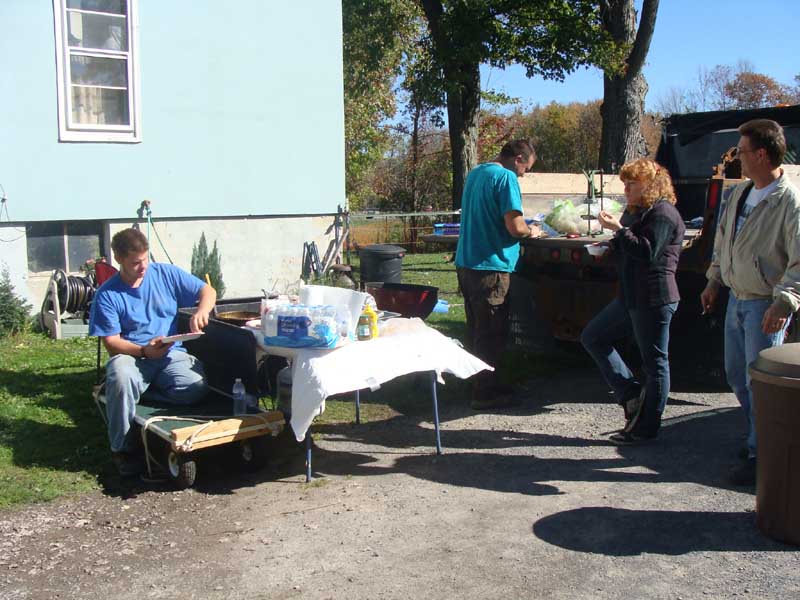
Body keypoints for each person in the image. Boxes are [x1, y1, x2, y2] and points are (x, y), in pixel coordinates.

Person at [700, 119, 800, 486]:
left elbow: (799, 260)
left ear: (761, 154)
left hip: (764, 305)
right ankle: (759, 438)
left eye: (741, 151)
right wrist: (714, 279)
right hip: (736, 299)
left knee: (760, 383)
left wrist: (785, 302)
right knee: (735, 375)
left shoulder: (789, 201)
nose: (736, 158)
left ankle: (762, 454)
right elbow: (722, 239)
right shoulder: (740, 193)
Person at [89, 228, 217, 476]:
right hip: (133, 355)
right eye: (136, 263)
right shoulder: (107, 295)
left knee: (196, 387)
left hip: (170, 353)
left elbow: (208, 291)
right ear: (119, 259)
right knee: (122, 374)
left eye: (145, 259)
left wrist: (202, 310)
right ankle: (122, 449)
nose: (143, 267)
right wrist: (144, 351)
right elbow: (111, 342)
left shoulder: (165, 273)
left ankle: (133, 395)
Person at [581, 158, 685, 444]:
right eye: (624, 184)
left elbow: (647, 251)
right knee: (593, 337)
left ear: (650, 184)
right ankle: (630, 395)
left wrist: (617, 230)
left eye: (632, 184)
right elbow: (627, 243)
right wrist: (607, 246)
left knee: (655, 362)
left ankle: (646, 427)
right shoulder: (639, 211)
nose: (626, 189)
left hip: (654, 297)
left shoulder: (663, 213)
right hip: (630, 296)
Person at [455, 139, 541, 410]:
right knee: (492, 332)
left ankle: (480, 383)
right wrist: (532, 231)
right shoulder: (505, 178)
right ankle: (484, 394)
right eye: (524, 169)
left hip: (467, 262)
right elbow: (515, 227)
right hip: (490, 264)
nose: (522, 175)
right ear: (517, 158)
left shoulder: (477, 173)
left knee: (478, 330)